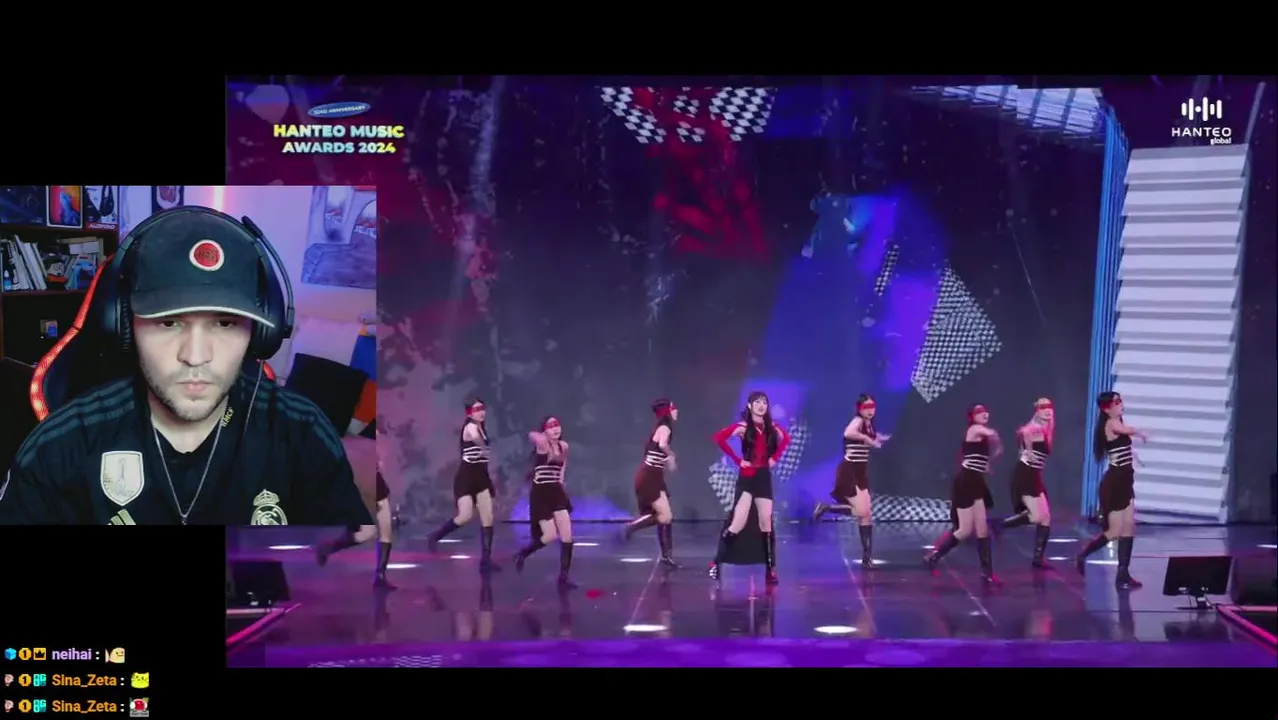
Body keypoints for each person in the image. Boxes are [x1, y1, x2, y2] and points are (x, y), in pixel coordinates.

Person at [0, 207, 370, 526]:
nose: (195, 356)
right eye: (168, 322)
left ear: (262, 332)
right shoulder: (59, 447)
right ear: (123, 325)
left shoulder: (303, 433)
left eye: (224, 323)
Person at [709, 391, 791, 585]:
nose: (761, 406)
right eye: (757, 402)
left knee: (766, 522)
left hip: (763, 477)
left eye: (764, 402)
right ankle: (716, 563)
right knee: (738, 522)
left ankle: (770, 569)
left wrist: (774, 458)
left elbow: (786, 439)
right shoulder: (743, 427)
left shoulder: (771, 427)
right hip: (747, 477)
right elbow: (719, 438)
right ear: (749, 406)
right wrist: (737, 460)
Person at [1075, 391, 1147, 589]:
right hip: (1115, 484)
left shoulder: (1118, 423)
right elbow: (1125, 430)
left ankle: (1123, 574)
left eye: (1120, 400)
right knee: (1114, 531)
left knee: (1129, 527)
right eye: (1116, 402)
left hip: (1126, 481)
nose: (1121, 404)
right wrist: (1140, 432)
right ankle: (1083, 555)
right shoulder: (1111, 423)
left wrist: (1135, 456)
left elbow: (1123, 445)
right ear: (1106, 408)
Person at [925, 404, 1003, 584]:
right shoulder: (975, 429)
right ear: (972, 417)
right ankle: (935, 556)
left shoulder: (982, 435)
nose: (984, 414)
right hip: (966, 482)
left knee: (982, 529)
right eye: (979, 412)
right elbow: (992, 434)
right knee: (965, 530)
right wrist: (997, 445)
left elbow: (986, 452)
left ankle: (987, 572)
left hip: (976, 482)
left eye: (985, 411)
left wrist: (989, 462)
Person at [813, 393, 889, 567]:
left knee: (866, 514)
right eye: (866, 407)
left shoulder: (868, 424)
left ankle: (867, 558)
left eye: (872, 407)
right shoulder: (858, 421)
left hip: (861, 471)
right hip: (850, 471)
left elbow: (869, 438)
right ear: (859, 409)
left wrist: (879, 438)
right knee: (862, 512)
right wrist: (867, 439)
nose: (870, 410)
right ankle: (826, 507)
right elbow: (848, 433)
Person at [427, 399, 502, 572]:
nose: (480, 412)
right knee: (464, 516)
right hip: (466, 477)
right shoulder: (470, 427)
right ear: (469, 413)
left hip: (481, 477)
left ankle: (486, 560)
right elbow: (475, 438)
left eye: (482, 408)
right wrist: (483, 448)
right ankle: (436, 536)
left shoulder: (482, 428)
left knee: (488, 517)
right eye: (476, 409)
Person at [512, 416, 577, 588]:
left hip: (556, 492)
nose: (555, 429)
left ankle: (563, 577)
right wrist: (544, 436)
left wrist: (563, 491)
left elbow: (561, 473)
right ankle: (523, 554)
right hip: (541, 494)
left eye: (557, 425)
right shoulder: (543, 445)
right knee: (549, 535)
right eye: (550, 426)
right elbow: (531, 435)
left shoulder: (564, 446)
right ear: (544, 430)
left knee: (567, 535)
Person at [993, 398, 1055, 570]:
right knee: (1037, 516)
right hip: (1025, 474)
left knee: (1045, 517)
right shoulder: (1034, 429)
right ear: (1036, 411)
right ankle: (1000, 525)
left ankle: (1038, 559)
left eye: (1049, 406)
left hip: (1034, 475)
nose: (1047, 410)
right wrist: (1027, 445)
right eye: (1043, 407)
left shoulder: (1047, 428)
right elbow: (1026, 430)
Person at [618, 399, 681, 569]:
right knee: (665, 516)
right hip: (649, 477)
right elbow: (662, 445)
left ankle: (666, 556)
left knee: (666, 517)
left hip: (654, 476)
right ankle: (630, 528)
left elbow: (658, 453)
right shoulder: (665, 428)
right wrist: (671, 455)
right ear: (667, 412)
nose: (676, 411)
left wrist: (669, 460)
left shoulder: (661, 428)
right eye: (673, 408)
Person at [314, 462, 397, 588]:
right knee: (367, 532)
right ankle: (328, 547)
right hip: (362, 482)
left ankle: (380, 575)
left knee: (385, 529)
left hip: (374, 481)